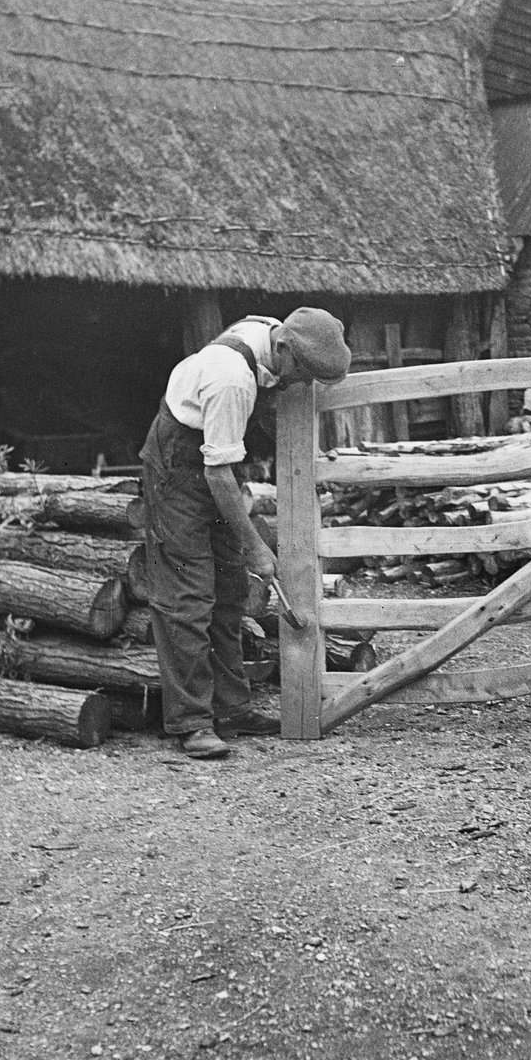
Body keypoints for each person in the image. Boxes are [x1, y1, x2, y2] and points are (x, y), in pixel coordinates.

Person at [140, 307, 352, 759]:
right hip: (178, 471)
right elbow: (217, 475)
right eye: (303, 375)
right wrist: (255, 544)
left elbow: (221, 469)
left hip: (211, 465)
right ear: (284, 351)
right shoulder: (231, 378)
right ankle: (191, 722)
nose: (300, 385)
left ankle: (232, 708)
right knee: (187, 597)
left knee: (231, 589)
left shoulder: (265, 331)